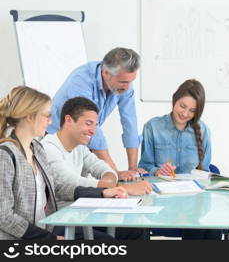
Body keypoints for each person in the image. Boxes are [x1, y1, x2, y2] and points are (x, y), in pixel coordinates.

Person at [0, 86, 127, 240]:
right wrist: (49, 239)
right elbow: (4, 216)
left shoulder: (37, 149)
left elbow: (58, 187)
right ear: (29, 116)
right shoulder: (5, 155)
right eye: (46, 115)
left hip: (42, 233)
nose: (50, 121)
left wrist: (101, 193)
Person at [42, 96, 153, 239]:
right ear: (69, 120)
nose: (93, 131)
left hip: (82, 213)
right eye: (89, 124)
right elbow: (72, 184)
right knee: (107, 240)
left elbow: (105, 169)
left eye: (95, 125)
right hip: (60, 221)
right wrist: (120, 188)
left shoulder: (79, 147)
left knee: (137, 229)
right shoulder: (49, 147)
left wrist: (109, 182)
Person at [139, 79, 222, 240]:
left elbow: (204, 171)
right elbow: (144, 165)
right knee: (196, 226)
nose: (185, 113)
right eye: (182, 106)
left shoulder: (203, 130)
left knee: (210, 226)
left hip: (193, 200)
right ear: (174, 100)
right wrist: (157, 170)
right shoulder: (152, 127)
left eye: (192, 110)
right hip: (162, 201)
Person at [47, 47, 144, 181]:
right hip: (56, 141)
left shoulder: (125, 84)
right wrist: (115, 171)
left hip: (81, 143)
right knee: (65, 188)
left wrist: (133, 170)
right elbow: (94, 132)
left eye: (130, 81)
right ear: (105, 73)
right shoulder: (81, 81)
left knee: (82, 188)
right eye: (123, 82)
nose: (127, 87)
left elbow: (130, 123)